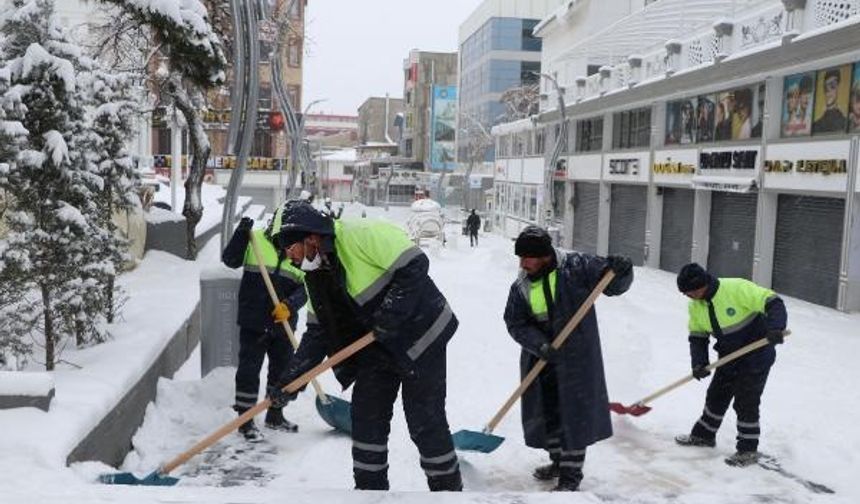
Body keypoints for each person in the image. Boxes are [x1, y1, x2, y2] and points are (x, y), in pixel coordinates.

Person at [268, 202, 463, 491]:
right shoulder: (315, 277)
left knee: (424, 421)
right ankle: (370, 493)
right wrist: (289, 382)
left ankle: (448, 493)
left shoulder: (360, 234)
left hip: (421, 335)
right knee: (366, 419)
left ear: (309, 237)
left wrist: (390, 315)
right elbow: (317, 333)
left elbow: (415, 263)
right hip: (378, 344)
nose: (289, 258)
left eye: (289, 249)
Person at [503, 226, 633, 491]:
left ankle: (571, 477)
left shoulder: (577, 267)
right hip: (541, 360)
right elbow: (515, 322)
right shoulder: (521, 286)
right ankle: (558, 462)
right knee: (549, 416)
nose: (523, 263)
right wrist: (539, 344)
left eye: (528, 257)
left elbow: (614, 286)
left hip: (577, 360)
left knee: (574, 417)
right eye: (521, 257)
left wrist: (623, 270)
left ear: (545, 256)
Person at [674, 263, 787, 467]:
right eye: (684, 293)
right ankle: (704, 436)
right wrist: (699, 363)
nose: (687, 296)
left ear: (702, 285)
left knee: (746, 400)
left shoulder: (736, 288)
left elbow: (773, 302)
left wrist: (776, 327)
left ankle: (748, 450)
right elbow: (698, 336)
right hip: (729, 355)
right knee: (717, 394)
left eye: (690, 292)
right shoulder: (696, 305)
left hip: (756, 354)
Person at [221, 208, 307, 441]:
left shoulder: (300, 251)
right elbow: (230, 260)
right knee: (249, 371)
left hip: (283, 322)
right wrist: (241, 234)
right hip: (254, 321)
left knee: (281, 370)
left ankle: (275, 414)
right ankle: (245, 420)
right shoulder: (255, 239)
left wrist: (290, 305)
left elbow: (306, 288)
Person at [813, 69, 847, 134]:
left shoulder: (845, 122)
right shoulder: (816, 125)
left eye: (832, 86)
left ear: (838, 87)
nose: (828, 90)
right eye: (825, 87)